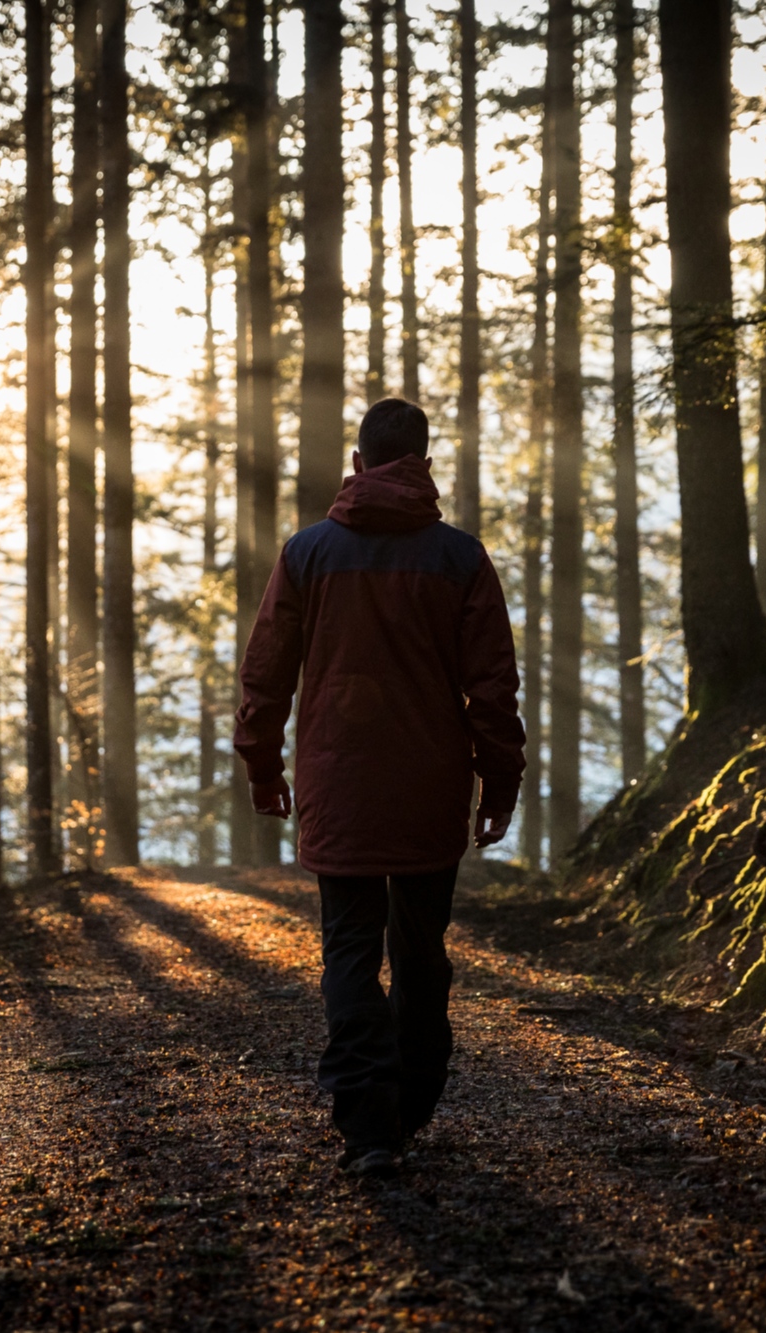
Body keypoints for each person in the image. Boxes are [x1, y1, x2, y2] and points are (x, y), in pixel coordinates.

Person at [234, 397, 525, 1178]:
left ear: (358, 466)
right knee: (421, 950)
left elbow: (264, 675)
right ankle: (414, 1101)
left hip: (341, 786)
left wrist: (265, 769)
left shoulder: (307, 553)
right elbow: (493, 689)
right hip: (431, 789)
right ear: (423, 467)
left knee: (351, 951)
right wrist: (500, 784)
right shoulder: (461, 559)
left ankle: (368, 1122)